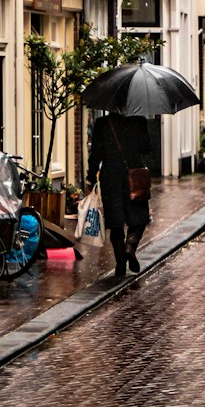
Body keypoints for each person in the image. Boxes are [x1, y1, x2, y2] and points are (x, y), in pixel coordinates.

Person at [87, 111, 153, 280]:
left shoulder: (102, 123)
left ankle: (121, 264)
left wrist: (91, 175)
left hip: (111, 178)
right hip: (134, 176)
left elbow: (95, 154)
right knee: (139, 217)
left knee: (115, 223)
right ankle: (130, 247)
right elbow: (147, 149)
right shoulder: (139, 121)